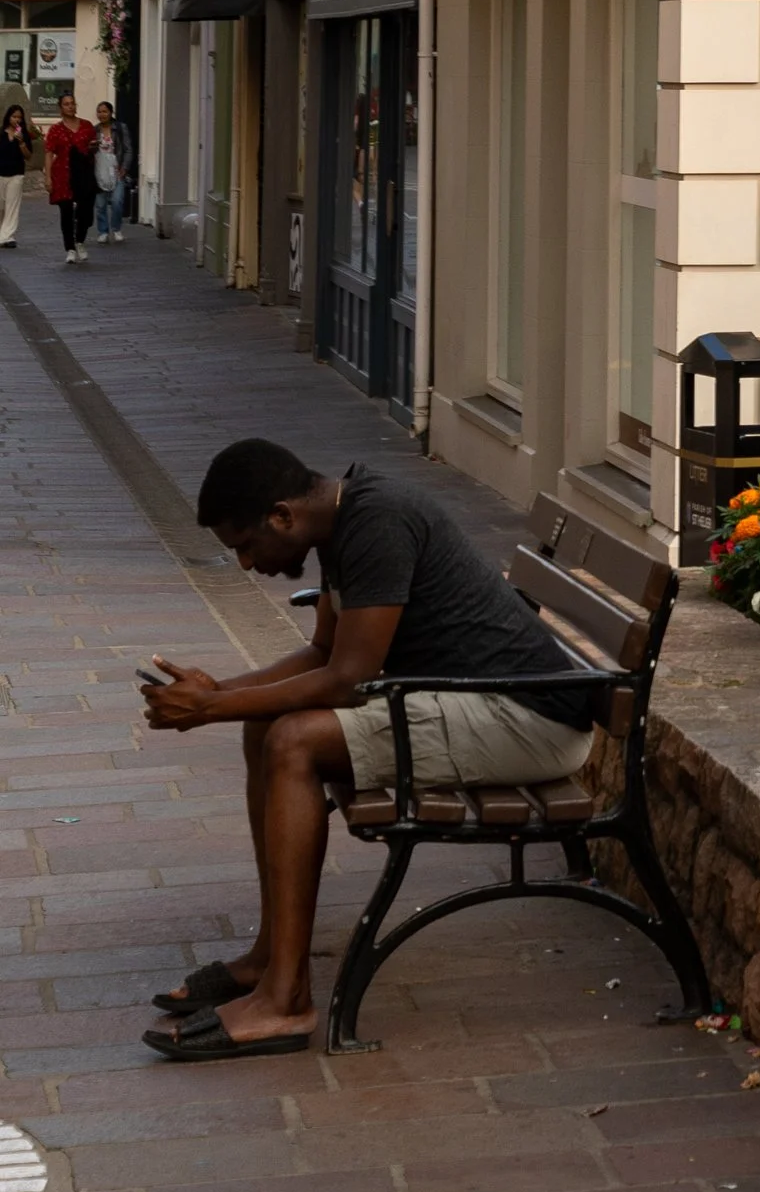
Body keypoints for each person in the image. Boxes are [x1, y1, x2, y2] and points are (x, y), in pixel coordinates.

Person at [137, 438, 603, 1058]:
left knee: (293, 740)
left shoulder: (376, 523)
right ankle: (272, 957)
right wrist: (220, 692)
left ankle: (285, 1001)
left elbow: (350, 678)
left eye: (246, 546)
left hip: (529, 721)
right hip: (485, 700)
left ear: (282, 516)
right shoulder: (342, 518)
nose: (248, 564)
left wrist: (211, 708)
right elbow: (325, 653)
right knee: (269, 722)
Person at [43, 103, 94, 262]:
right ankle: (70, 248)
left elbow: (94, 147)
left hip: (83, 174)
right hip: (63, 174)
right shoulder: (55, 130)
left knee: (85, 211)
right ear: (60, 108)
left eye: (72, 104)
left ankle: (80, 240)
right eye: (66, 104)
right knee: (66, 212)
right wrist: (48, 177)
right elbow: (49, 153)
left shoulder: (86, 126)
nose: (70, 107)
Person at [91, 107, 128, 246]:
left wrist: (124, 167)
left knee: (117, 200)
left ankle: (116, 228)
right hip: (100, 169)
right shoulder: (94, 130)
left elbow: (128, 148)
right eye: (99, 112)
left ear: (111, 113)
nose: (102, 114)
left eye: (105, 111)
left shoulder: (119, 128)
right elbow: (90, 150)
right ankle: (103, 231)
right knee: (100, 204)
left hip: (116, 169)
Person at [0, 91, 31, 246]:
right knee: (1, 205)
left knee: (12, 206)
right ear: (8, 117)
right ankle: (2, 233)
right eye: (14, 117)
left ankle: (7, 237)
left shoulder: (23, 134)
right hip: (0, 174)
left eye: (19, 117)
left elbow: (28, 156)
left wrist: (21, 142)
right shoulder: (1, 133)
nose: (17, 120)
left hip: (16, 174)